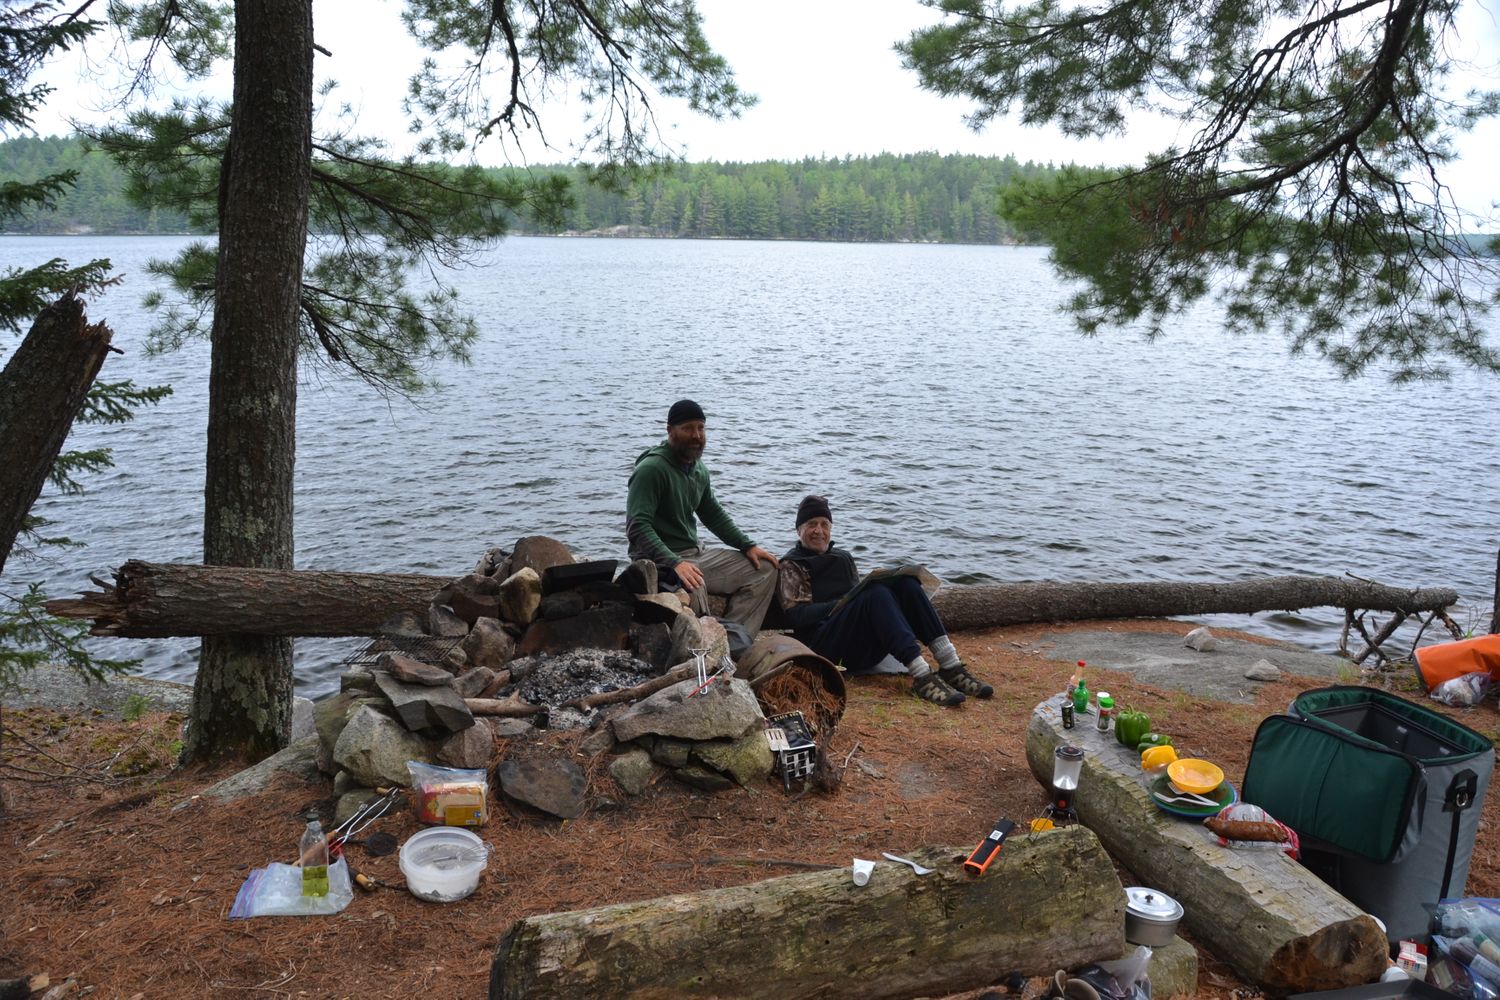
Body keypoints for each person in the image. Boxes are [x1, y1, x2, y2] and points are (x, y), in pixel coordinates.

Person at [777, 494, 992, 707]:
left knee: (907, 584)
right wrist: (842, 604)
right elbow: (797, 616)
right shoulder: (793, 564)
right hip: (822, 649)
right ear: (799, 530)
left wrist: (855, 599)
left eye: (824, 524)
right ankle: (921, 675)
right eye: (811, 524)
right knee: (875, 593)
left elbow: (857, 605)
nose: (819, 531)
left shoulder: (843, 558)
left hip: (858, 645)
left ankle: (951, 665)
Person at [626, 399, 780, 631]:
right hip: (657, 562)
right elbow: (637, 527)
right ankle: (701, 643)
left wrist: (747, 545)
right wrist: (674, 562)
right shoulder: (651, 469)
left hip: (695, 555)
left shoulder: (698, 469)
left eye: (701, 428)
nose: (696, 435)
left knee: (765, 569)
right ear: (670, 431)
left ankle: (733, 639)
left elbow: (713, 514)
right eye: (687, 428)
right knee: (694, 586)